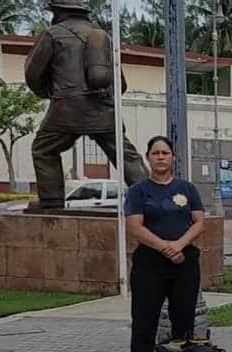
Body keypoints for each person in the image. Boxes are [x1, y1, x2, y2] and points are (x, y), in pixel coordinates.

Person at [24, 0, 147, 210]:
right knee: (126, 155)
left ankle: (51, 201)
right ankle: (150, 198)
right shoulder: (102, 37)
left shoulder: (52, 34)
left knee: (43, 149)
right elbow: (120, 83)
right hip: (103, 109)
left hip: (66, 109)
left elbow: (33, 75)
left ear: (59, 12)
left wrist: (49, 93)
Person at [124, 136, 206, 352]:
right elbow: (135, 226)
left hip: (184, 262)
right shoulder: (139, 191)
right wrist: (165, 248)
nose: (161, 157)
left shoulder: (187, 189)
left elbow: (199, 222)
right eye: (155, 153)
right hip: (149, 264)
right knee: (144, 321)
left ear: (173, 158)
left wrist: (179, 246)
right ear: (148, 157)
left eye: (165, 153)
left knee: (183, 321)